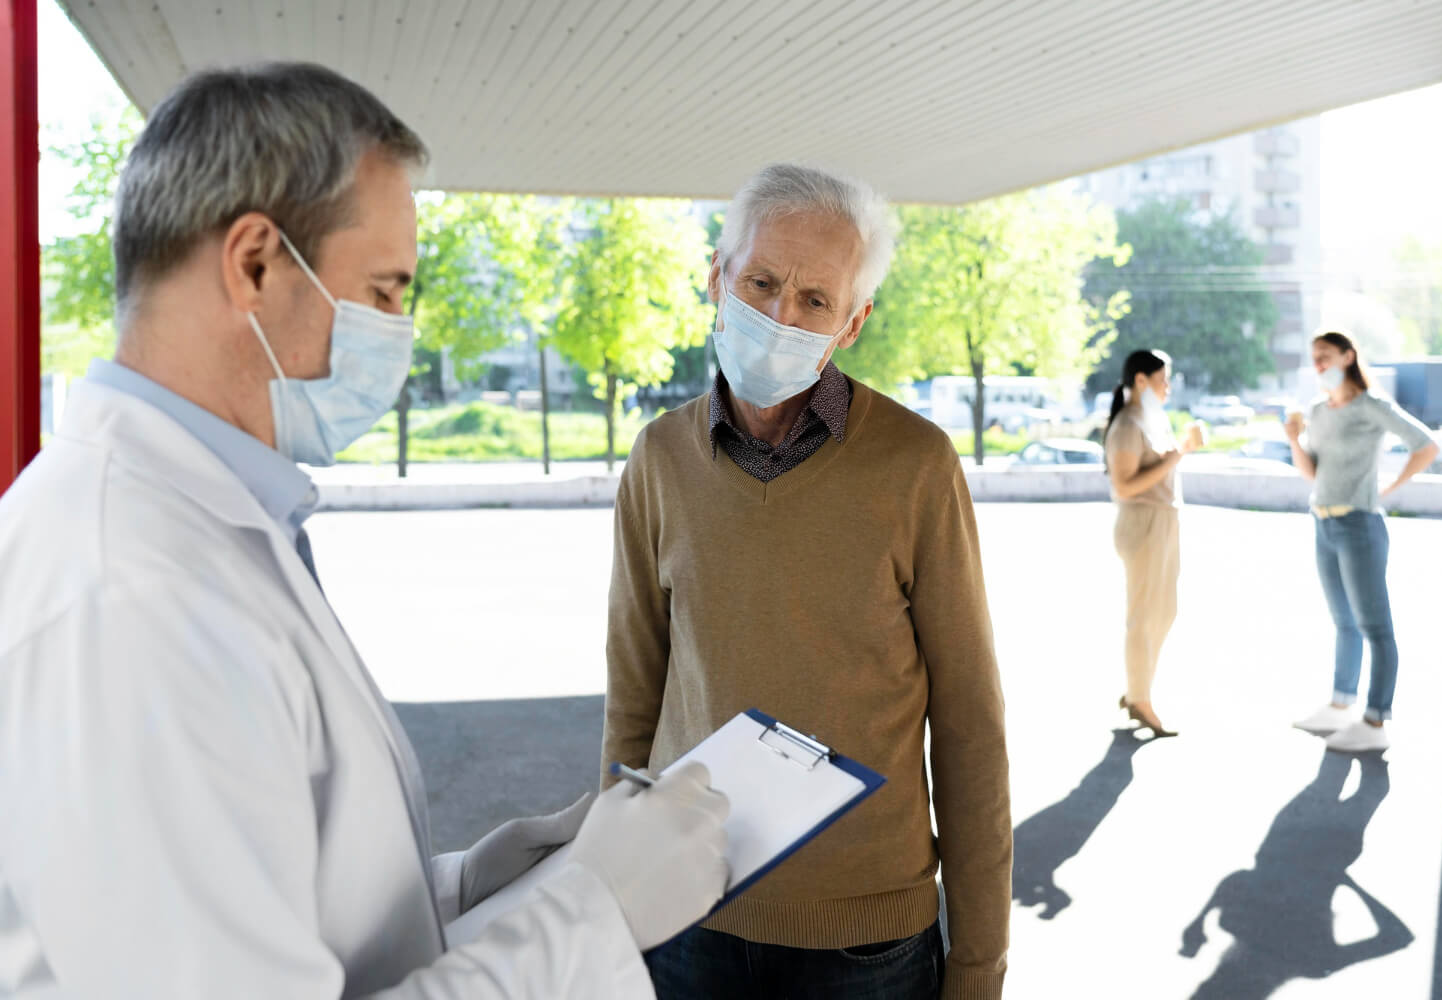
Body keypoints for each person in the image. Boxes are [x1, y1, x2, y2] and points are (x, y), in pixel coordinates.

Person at [0, 63, 731, 998]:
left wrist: (471, 885)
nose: (400, 331)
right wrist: (595, 913)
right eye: (385, 292)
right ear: (255, 262)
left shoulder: (199, 529)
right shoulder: (132, 598)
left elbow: (277, 905)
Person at [601, 163, 1011, 1000]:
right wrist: (605, 896)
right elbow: (632, 703)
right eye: (760, 281)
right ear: (717, 276)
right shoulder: (658, 459)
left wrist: (977, 965)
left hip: (867, 946)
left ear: (852, 323)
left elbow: (969, 725)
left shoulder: (917, 465)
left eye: (815, 301)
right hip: (683, 923)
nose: (780, 315)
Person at [1287, 331, 1438, 752]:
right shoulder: (1318, 409)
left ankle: (1375, 721)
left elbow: (1426, 445)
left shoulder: (1372, 406)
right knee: (1344, 622)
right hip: (1323, 522)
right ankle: (1340, 705)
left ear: (1348, 356)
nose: (1318, 364)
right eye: (1314, 357)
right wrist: (1294, 438)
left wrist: (1392, 487)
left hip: (1360, 525)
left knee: (1376, 626)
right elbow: (1312, 475)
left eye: (1326, 356)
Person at [1102, 349, 1203, 738]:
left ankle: (1136, 690)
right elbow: (1125, 485)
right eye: (1163, 379)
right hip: (1143, 524)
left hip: (1160, 522)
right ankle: (1140, 699)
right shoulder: (1127, 424)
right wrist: (1179, 453)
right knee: (1144, 616)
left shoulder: (1145, 420)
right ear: (1141, 380)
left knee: (1163, 612)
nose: (1168, 387)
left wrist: (1179, 450)